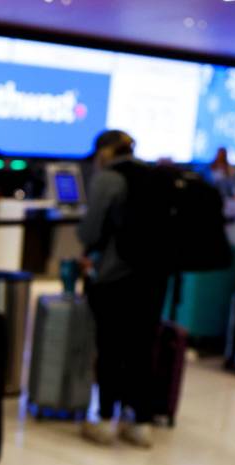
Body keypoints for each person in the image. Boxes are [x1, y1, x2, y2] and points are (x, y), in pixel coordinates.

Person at [76, 130, 168, 448]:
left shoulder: (108, 180)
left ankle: (104, 420)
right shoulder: (155, 176)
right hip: (154, 277)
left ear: (104, 152)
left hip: (116, 276)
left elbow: (90, 232)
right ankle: (141, 423)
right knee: (143, 348)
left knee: (111, 347)